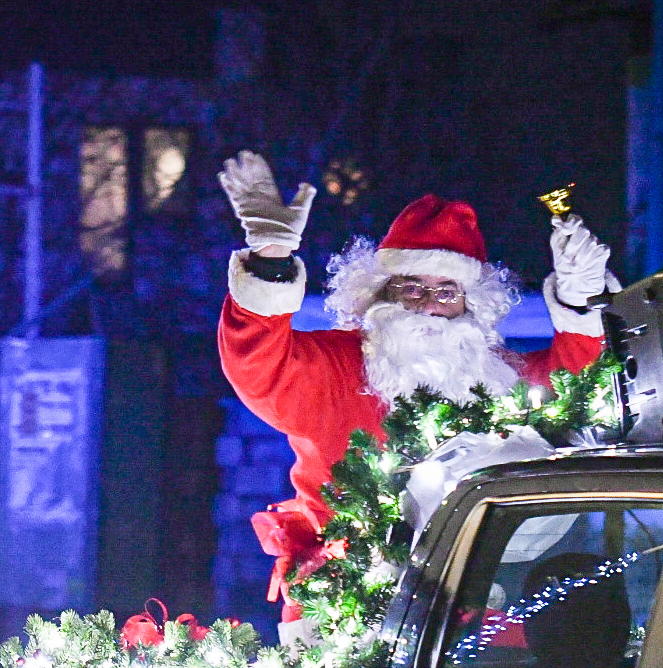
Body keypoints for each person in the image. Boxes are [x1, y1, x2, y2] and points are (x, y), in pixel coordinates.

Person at [217, 150, 616, 526]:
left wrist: (580, 298)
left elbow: (577, 383)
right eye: (412, 288)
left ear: (470, 303)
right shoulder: (336, 369)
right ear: (380, 292)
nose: (428, 306)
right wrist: (270, 259)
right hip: (347, 587)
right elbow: (258, 367)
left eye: (446, 292)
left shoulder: (499, 378)